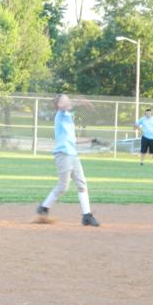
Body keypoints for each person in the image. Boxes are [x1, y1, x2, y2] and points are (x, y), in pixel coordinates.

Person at [36, 94, 100, 227]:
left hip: (73, 154)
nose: (69, 101)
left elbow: (74, 140)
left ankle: (87, 216)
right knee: (63, 187)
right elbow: (67, 107)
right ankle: (44, 207)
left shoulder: (69, 119)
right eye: (65, 100)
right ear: (59, 105)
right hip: (63, 154)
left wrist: (90, 140)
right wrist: (81, 102)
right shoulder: (61, 114)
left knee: (82, 184)